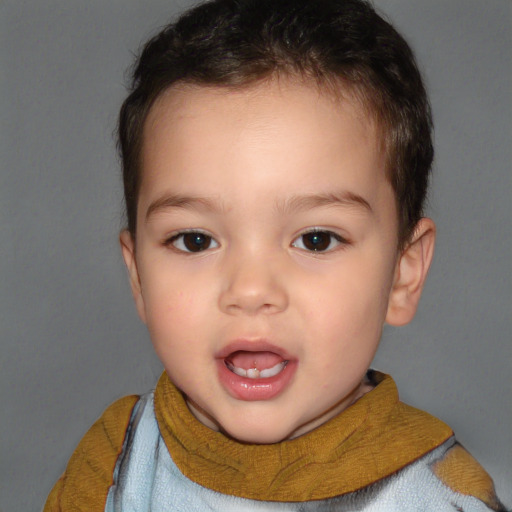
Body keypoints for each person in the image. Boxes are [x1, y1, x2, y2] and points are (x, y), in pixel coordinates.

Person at [44, 0, 507, 510]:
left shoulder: (442, 497)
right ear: (138, 279)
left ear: (403, 273)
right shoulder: (117, 463)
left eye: (316, 239)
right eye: (195, 240)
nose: (250, 289)